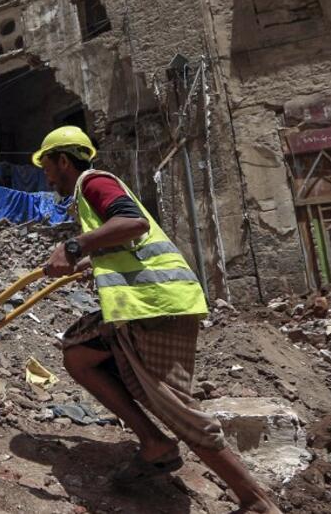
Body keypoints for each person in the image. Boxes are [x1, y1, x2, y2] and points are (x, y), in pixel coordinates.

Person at [34, 126, 282, 514]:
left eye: (47, 166)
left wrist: (74, 244)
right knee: (78, 354)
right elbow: (125, 242)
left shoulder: (93, 182)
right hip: (141, 308)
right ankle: (154, 444)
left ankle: (256, 500)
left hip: (158, 307)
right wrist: (87, 260)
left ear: (63, 160)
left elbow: (134, 224)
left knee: (174, 406)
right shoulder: (90, 192)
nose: (47, 176)